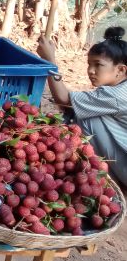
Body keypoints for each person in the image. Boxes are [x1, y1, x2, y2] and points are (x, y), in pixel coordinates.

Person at [37, 27, 127, 189]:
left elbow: (63, 98)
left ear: (121, 70)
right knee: (79, 112)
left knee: (85, 116)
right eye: (89, 64)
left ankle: (111, 183)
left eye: (98, 65)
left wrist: (50, 61)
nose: (90, 71)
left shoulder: (116, 96)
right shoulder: (119, 90)